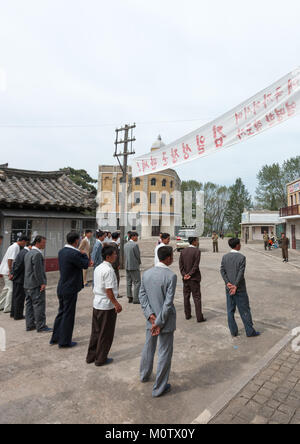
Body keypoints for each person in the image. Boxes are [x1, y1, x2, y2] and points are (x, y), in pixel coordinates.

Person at [139, 246, 177, 398]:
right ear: (167, 258)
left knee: (149, 347)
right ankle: (159, 388)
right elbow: (168, 303)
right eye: (172, 256)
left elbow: (142, 296)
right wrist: (159, 322)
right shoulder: (171, 276)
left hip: (152, 320)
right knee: (164, 353)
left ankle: (144, 375)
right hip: (164, 322)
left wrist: (150, 316)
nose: (173, 259)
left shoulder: (147, 273)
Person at [50, 232, 89, 348]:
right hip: (70, 288)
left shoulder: (62, 252)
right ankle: (65, 341)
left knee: (61, 312)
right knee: (68, 314)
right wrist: (85, 255)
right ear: (76, 241)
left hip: (62, 286)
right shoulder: (74, 254)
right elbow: (85, 265)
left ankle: (56, 337)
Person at [86, 245, 122, 366]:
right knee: (105, 333)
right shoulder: (108, 270)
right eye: (114, 254)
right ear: (108, 256)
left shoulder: (99, 267)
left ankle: (91, 356)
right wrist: (116, 304)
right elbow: (109, 291)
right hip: (106, 305)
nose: (116, 256)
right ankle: (101, 358)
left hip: (97, 303)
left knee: (96, 331)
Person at [220, 238, 260, 338]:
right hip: (240, 289)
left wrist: (228, 283)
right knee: (244, 310)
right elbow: (240, 273)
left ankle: (233, 332)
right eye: (240, 244)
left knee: (230, 310)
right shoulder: (242, 257)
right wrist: (235, 285)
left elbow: (222, 271)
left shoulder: (225, 257)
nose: (240, 245)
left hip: (228, 289)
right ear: (237, 245)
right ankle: (250, 332)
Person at [24, 236, 52, 333]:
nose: (44, 245)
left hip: (27, 284)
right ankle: (41, 326)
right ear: (37, 243)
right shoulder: (37, 254)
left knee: (29, 306)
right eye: (43, 243)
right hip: (35, 284)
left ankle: (30, 324)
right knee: (39, 305)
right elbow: (38, 271)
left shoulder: (28, 253)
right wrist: (42, 283)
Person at [179, 237, 205, 323]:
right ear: (194, 241)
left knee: (186, 297)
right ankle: (199, 317)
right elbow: (195, 265)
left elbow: (181, 265)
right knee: (197, 297)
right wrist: (190, 274)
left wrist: (184, 275)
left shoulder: (183, 251)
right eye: (197, 240)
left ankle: (187, 315)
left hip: (185, 278)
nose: (197, 242)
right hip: (194, 278)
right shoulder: (197, 251)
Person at [0, 235, 28, 313]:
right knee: (11, 289)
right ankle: (7, 308)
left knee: (6, 288)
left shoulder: (14, 246)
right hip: (7, 270)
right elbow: (10, 260)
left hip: (5, 270)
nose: (25, 245)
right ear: (23, 241)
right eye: (25, 243)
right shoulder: (15, 247)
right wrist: (10, 272)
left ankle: (1, 305)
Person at [11, 239, 31, 320]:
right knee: (19, 297)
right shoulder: (25, 253)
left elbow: (15, 264)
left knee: (15, 296)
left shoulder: (22, 252)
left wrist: (13, 274)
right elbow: (19, 266)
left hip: (17, 278)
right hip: (20, 279)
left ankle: (13, 313)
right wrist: (14, 274)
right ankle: (18, 315)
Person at [124, 231, 141, 304]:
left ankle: (129, 296)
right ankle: (136, 299)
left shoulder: (126, 244)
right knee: (137, 282)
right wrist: (139, 263)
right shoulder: (135, 245)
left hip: (127, 265)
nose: (137, 238)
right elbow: (137, 256)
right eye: (136, 236)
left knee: (129, 282)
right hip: (134, 265)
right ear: (133, 237)